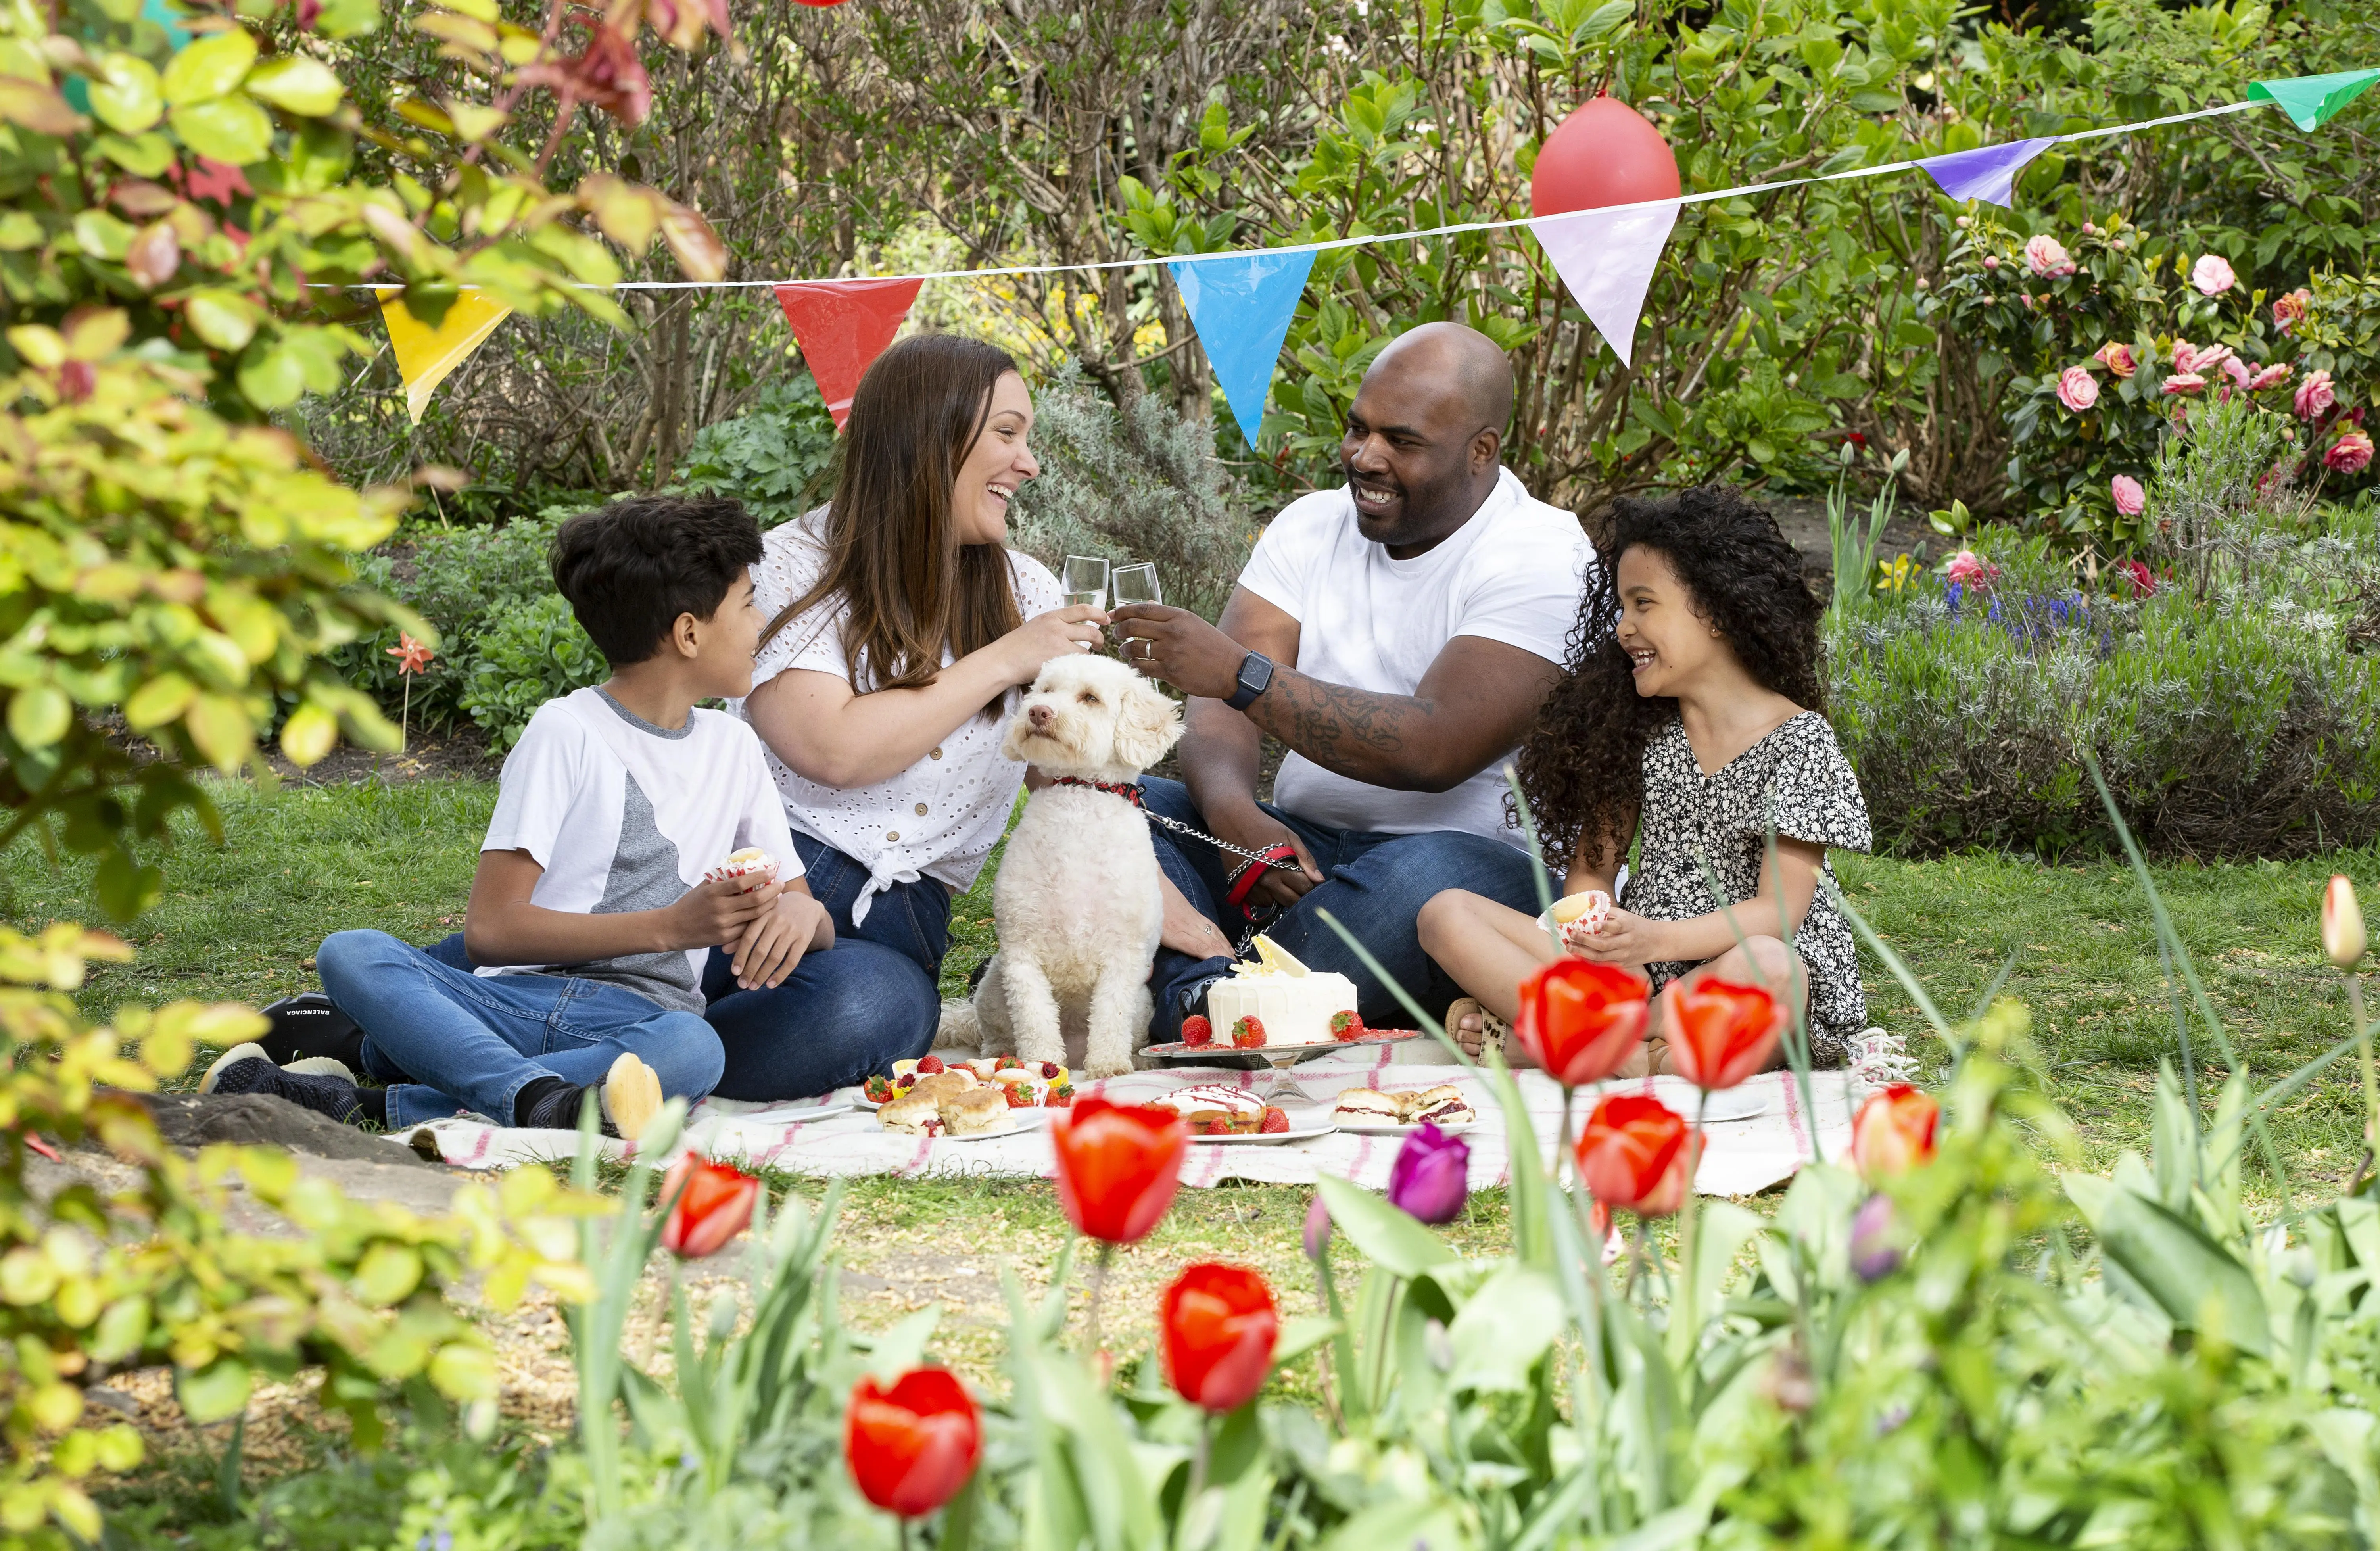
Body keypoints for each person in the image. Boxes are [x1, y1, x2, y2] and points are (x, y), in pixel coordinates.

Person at [205, 495, 831, 1134]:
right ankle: (533, 1099)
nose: (762, 623)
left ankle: (387, 1100)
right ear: (689, 633)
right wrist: (669, 928)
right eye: (749, 602)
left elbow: (805, 909)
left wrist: (807, 913)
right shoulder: (566, 731)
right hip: (512, 1000)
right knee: (352, 952)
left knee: (695, 1048)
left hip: (642, 1019)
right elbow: (492, 931)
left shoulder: (735, 747)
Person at [1109, 321, 1593, 1037]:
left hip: (1471, 876)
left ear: (1481, 453)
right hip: (1299, 849)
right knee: (1117, 803)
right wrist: (1237, 818)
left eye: (1401, 441)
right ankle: (1212, 997)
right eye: (1357, 429)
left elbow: (1435, 747)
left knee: (1423, 874)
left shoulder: (1546, 556)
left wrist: (1242, 673)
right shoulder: (1311, 525)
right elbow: (1218, 711)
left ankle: (1203, 1000)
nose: (1365, 457)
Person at [726, 334, 1106, 1097]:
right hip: (766, 878)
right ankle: (574, 1025)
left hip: (905, 919)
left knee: (881, 1009)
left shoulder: (1025, 590)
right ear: (928, 437)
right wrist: (1002, 660)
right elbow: (832, 750)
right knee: (581, 964)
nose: (1028, 463)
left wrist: (1163, 910)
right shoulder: (795, 562)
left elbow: (1062, 781)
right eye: (1007, 433)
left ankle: (619, 1050)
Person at [1416, 483, 1872, 1073]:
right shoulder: (1637, 729)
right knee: (1446, 914)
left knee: (1769, 966)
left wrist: (1655, 941)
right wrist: (1603, 941)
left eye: (1643, 604)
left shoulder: (1799, 741)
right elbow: (1593, 869)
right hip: (1641, 972)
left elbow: (1776, 914)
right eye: (1621, 608)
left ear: (1715, 609)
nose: (1623, 628)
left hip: (1746, 969)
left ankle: (1588, 1044)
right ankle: (1636, 1052)